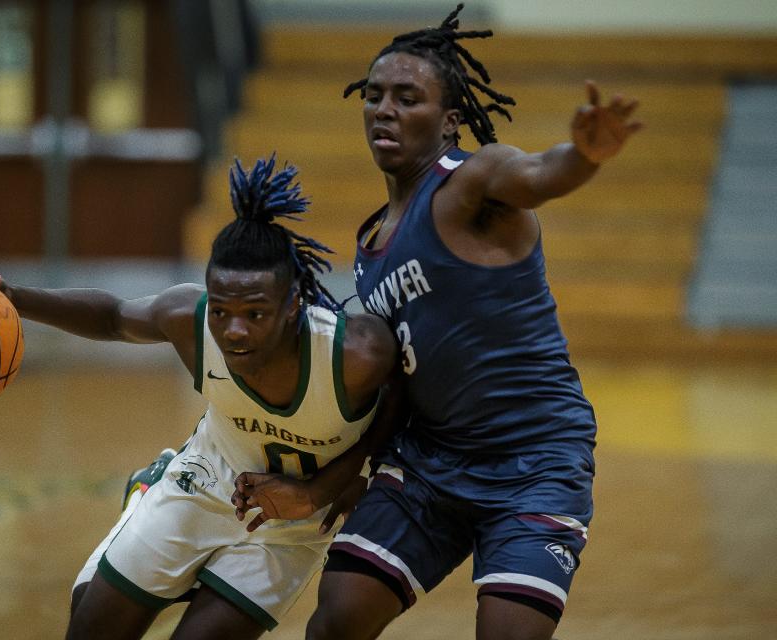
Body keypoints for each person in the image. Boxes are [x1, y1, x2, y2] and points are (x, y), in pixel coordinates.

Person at [231, 5, 643, 639]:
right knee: (336, 619)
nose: (383, 109)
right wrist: (325, 485)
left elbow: (539, 173)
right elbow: (394, 390)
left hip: (534, 461)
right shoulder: (371, 242)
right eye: (373, 96)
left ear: (450, 122)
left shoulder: (474, 183)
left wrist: (584, 157)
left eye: (407, 97)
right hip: (430, 465)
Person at [0, 156, 398, 640]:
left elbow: (399, 405)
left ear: (292, 306)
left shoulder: (356, 353)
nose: (234, 330)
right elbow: (114, 317)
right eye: (221, 311)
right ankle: (151, 491)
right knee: (88, 623)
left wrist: (321, 491)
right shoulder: (189, 318)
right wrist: (11, 296)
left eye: (255, 314)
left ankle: (147, 503)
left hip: (291, 524)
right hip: (205, 481)